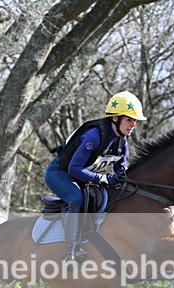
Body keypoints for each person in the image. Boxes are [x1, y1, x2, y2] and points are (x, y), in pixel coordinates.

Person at [45, 91, 147, 263]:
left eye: (135, 121)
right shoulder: (95, 135)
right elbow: (74, 168)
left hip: (81, 176)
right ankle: (71, 252)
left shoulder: (122, 143)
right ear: (115, 118)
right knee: (76, 198)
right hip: (59, 173)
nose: (133, 125)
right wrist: (103, 179)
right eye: (129, 119)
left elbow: (122, 172)